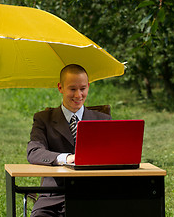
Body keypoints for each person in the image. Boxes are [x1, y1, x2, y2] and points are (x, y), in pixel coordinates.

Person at [27, 64, 111, 217]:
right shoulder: (43, 119)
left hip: (93, 196)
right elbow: (34, 152)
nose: (78, 95)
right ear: (60, 87)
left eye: (83, 89)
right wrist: (66, 158)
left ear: (88, 87)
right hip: (53, 197)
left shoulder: (103, 120)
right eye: (72, 89)